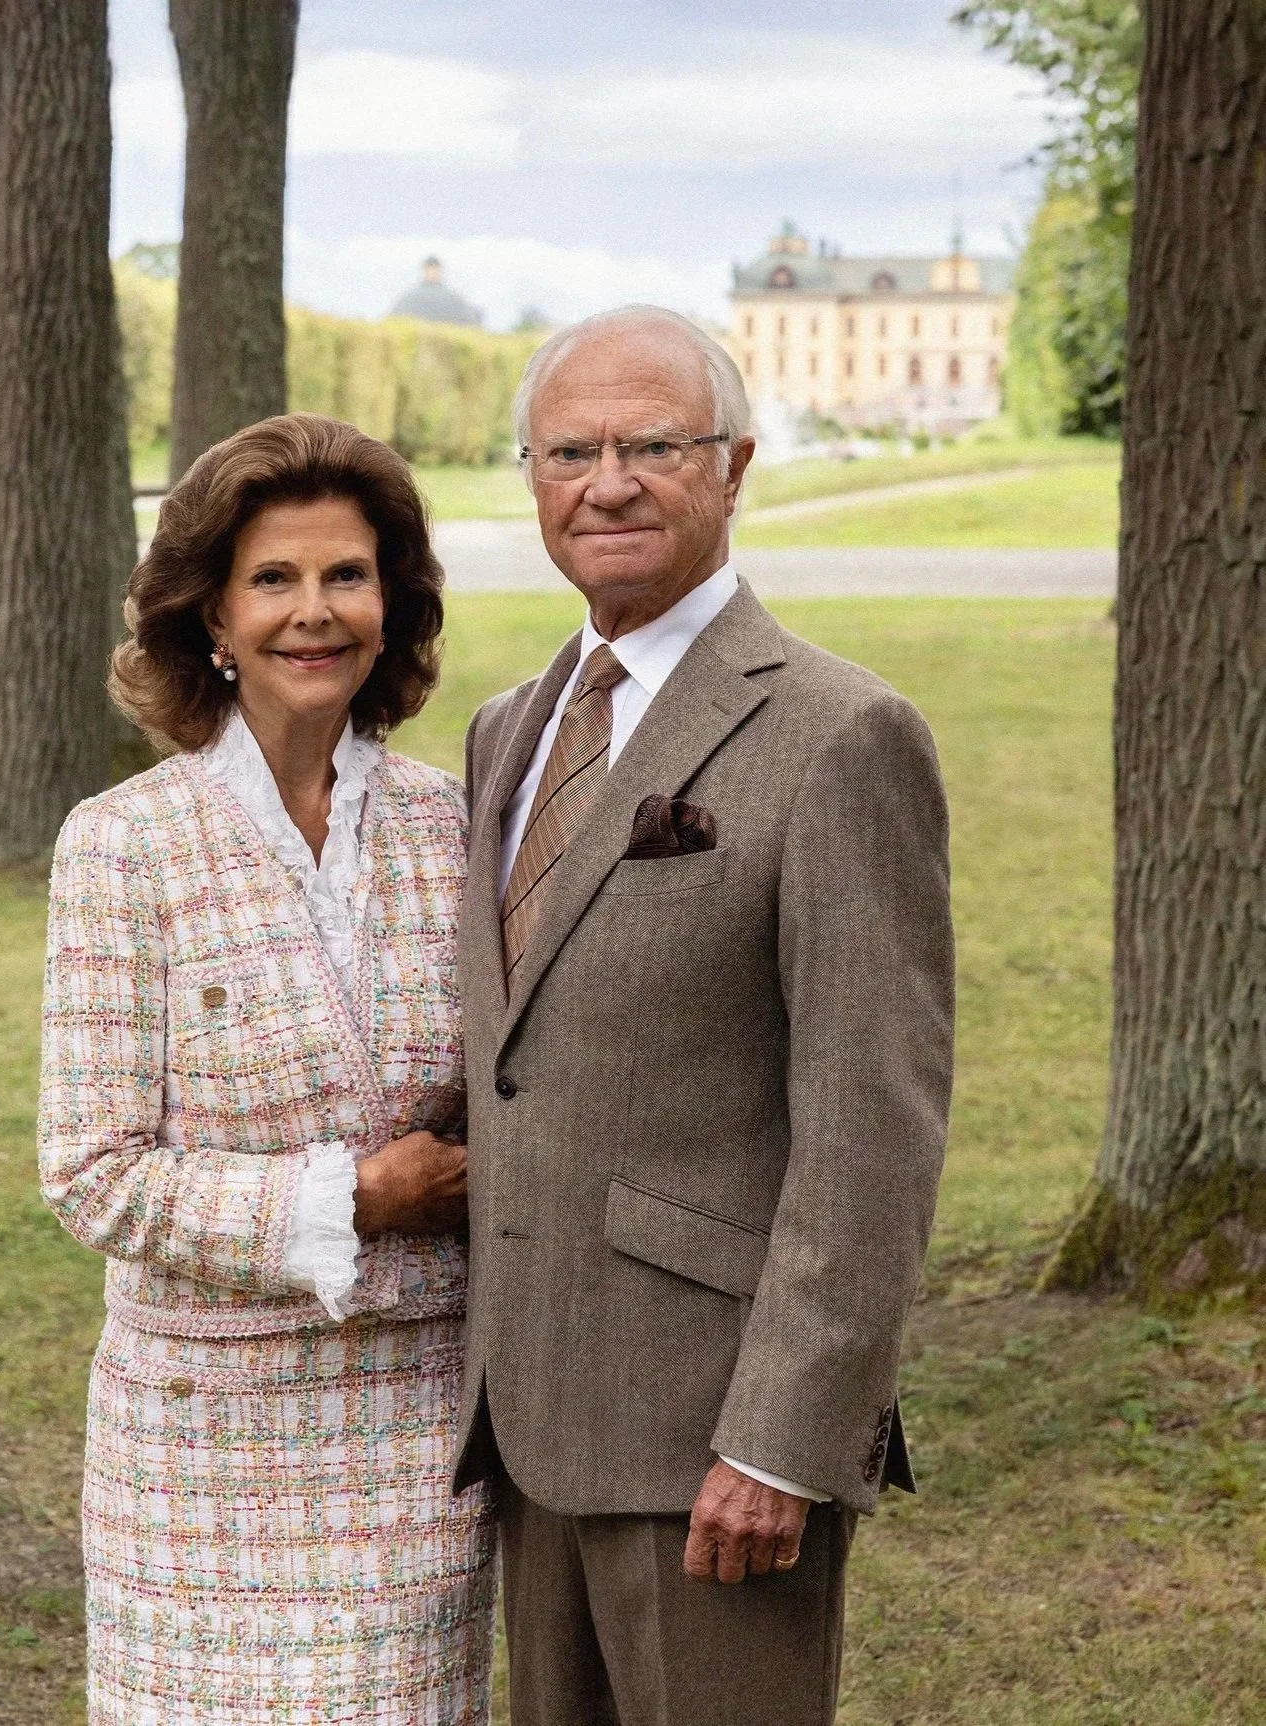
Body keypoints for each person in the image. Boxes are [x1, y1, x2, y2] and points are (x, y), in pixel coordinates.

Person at [453, 307, 955, 1725]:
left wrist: (784, 1440)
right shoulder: (509, 727)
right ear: (532, 478)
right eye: (569, 449)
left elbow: (874, 1128)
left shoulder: (838, 733)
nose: (605, 480)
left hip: (713, 1443)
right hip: (530, 1416)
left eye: (650, 445)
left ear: (731, 467)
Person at [38, 414, 496, 1724]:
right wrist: (356, 1195)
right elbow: (92, 1178)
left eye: (345, 576)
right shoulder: (123, 844)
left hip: (413, 1442)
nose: (315, 613)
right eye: (274, 580)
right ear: (212, 619)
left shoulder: (455, 825)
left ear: (390, 605)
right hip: (197, 1452)